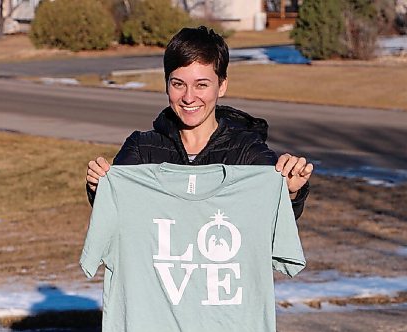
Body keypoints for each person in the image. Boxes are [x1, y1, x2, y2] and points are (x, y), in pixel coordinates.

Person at [85, 26, 313, 219]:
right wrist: (100, 190)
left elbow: (272, 222)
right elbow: (116, 217)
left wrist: (291, 194)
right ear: (166, 84)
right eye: (178, 84)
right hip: (156, 273)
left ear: (221, 86)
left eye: (201, 85)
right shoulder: (142, 150)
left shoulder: (247, 153)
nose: (188, 97)